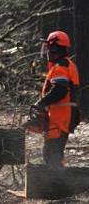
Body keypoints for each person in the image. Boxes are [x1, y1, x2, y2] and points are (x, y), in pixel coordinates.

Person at [30, 31, 80, 168]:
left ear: (55, 48)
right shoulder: (66, 64)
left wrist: (41, 103)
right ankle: (61, 184)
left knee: (51, 154)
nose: (46, 52)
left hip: (60, 116)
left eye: (48, 48)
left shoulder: (61, 67)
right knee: (54, 153)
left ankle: (60, 185)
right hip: (63, 115)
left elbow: (60, 90)